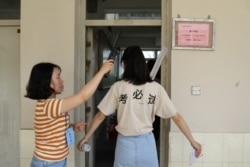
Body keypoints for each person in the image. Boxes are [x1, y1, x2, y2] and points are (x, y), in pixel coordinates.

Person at [77, 46, 202, 167]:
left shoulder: (119, 87)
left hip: (124, 145)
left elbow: (100, 115)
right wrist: (192, 141)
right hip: (147, 144)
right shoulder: (156, 88)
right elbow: (177, 117)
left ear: (125, 64)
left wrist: (86, 137)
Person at [25, 60, 114, 167]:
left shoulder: (51, 105)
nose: (62, 81)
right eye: (58, 77)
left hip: (56, 160)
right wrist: (102, 71)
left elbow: (51, 128)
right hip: (48, 162)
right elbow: (83, 96)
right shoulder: (49, 106)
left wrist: (72, 126)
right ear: (47, 81)